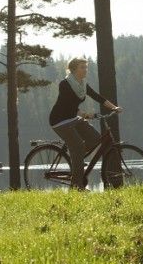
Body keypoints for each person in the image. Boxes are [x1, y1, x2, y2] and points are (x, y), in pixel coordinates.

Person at [49, 58, 122, 190]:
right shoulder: (64, 84)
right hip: (59, 121)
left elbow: (97, 96)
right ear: (74, 69)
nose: (85, 70)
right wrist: (85, 115)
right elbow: (68, 105)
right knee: (77, 147)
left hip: (72, 118)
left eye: (86, 67)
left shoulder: (82, 84)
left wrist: (114, 108)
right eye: (82, 67)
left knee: (95, 138)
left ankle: (77, 158)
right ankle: (77, 186)